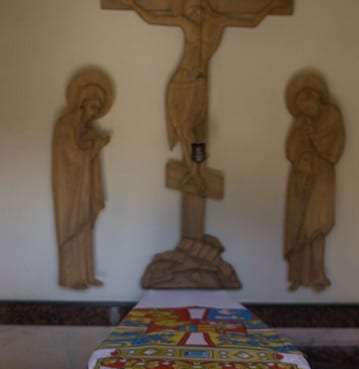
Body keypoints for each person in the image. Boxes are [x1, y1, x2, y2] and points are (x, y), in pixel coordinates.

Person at [126, 0, 276, 192]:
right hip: (180, 83)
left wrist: (271, 6)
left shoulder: (219, 21)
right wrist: (132, 4)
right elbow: (152, 18)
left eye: (195, 7)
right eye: (190, 8)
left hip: (198, 86)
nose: (192, 12)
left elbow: (253, 22)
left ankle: (196, 171)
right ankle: (195, 174)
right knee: (184, 132)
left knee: (196, 131)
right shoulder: (186, 23)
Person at [52, 69, 114, 289]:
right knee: (72, 226)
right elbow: (70, 153)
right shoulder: (65, 124)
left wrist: (96, 145)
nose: (94, 113)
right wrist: (94, 146)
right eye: (92, 107)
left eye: (98, 110)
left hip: (85, 186)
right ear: (82, 102)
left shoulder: (88, 128)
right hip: (68, 189)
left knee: (85, 228)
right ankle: (71, 277)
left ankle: (86, 274)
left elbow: (86, 154)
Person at [284, 71, 344, 291]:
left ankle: (317, 275)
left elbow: (334, 149)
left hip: (321, 176)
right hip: (300, 177)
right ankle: (297, 275)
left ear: (316, 99)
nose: (305, 111)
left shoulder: (332, 116)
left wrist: (313, 137)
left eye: (307, 105)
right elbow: (290, 150)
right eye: (301, 107)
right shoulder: (300, 121)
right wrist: (301, 142)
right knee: (298, 224)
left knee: (316, 225)